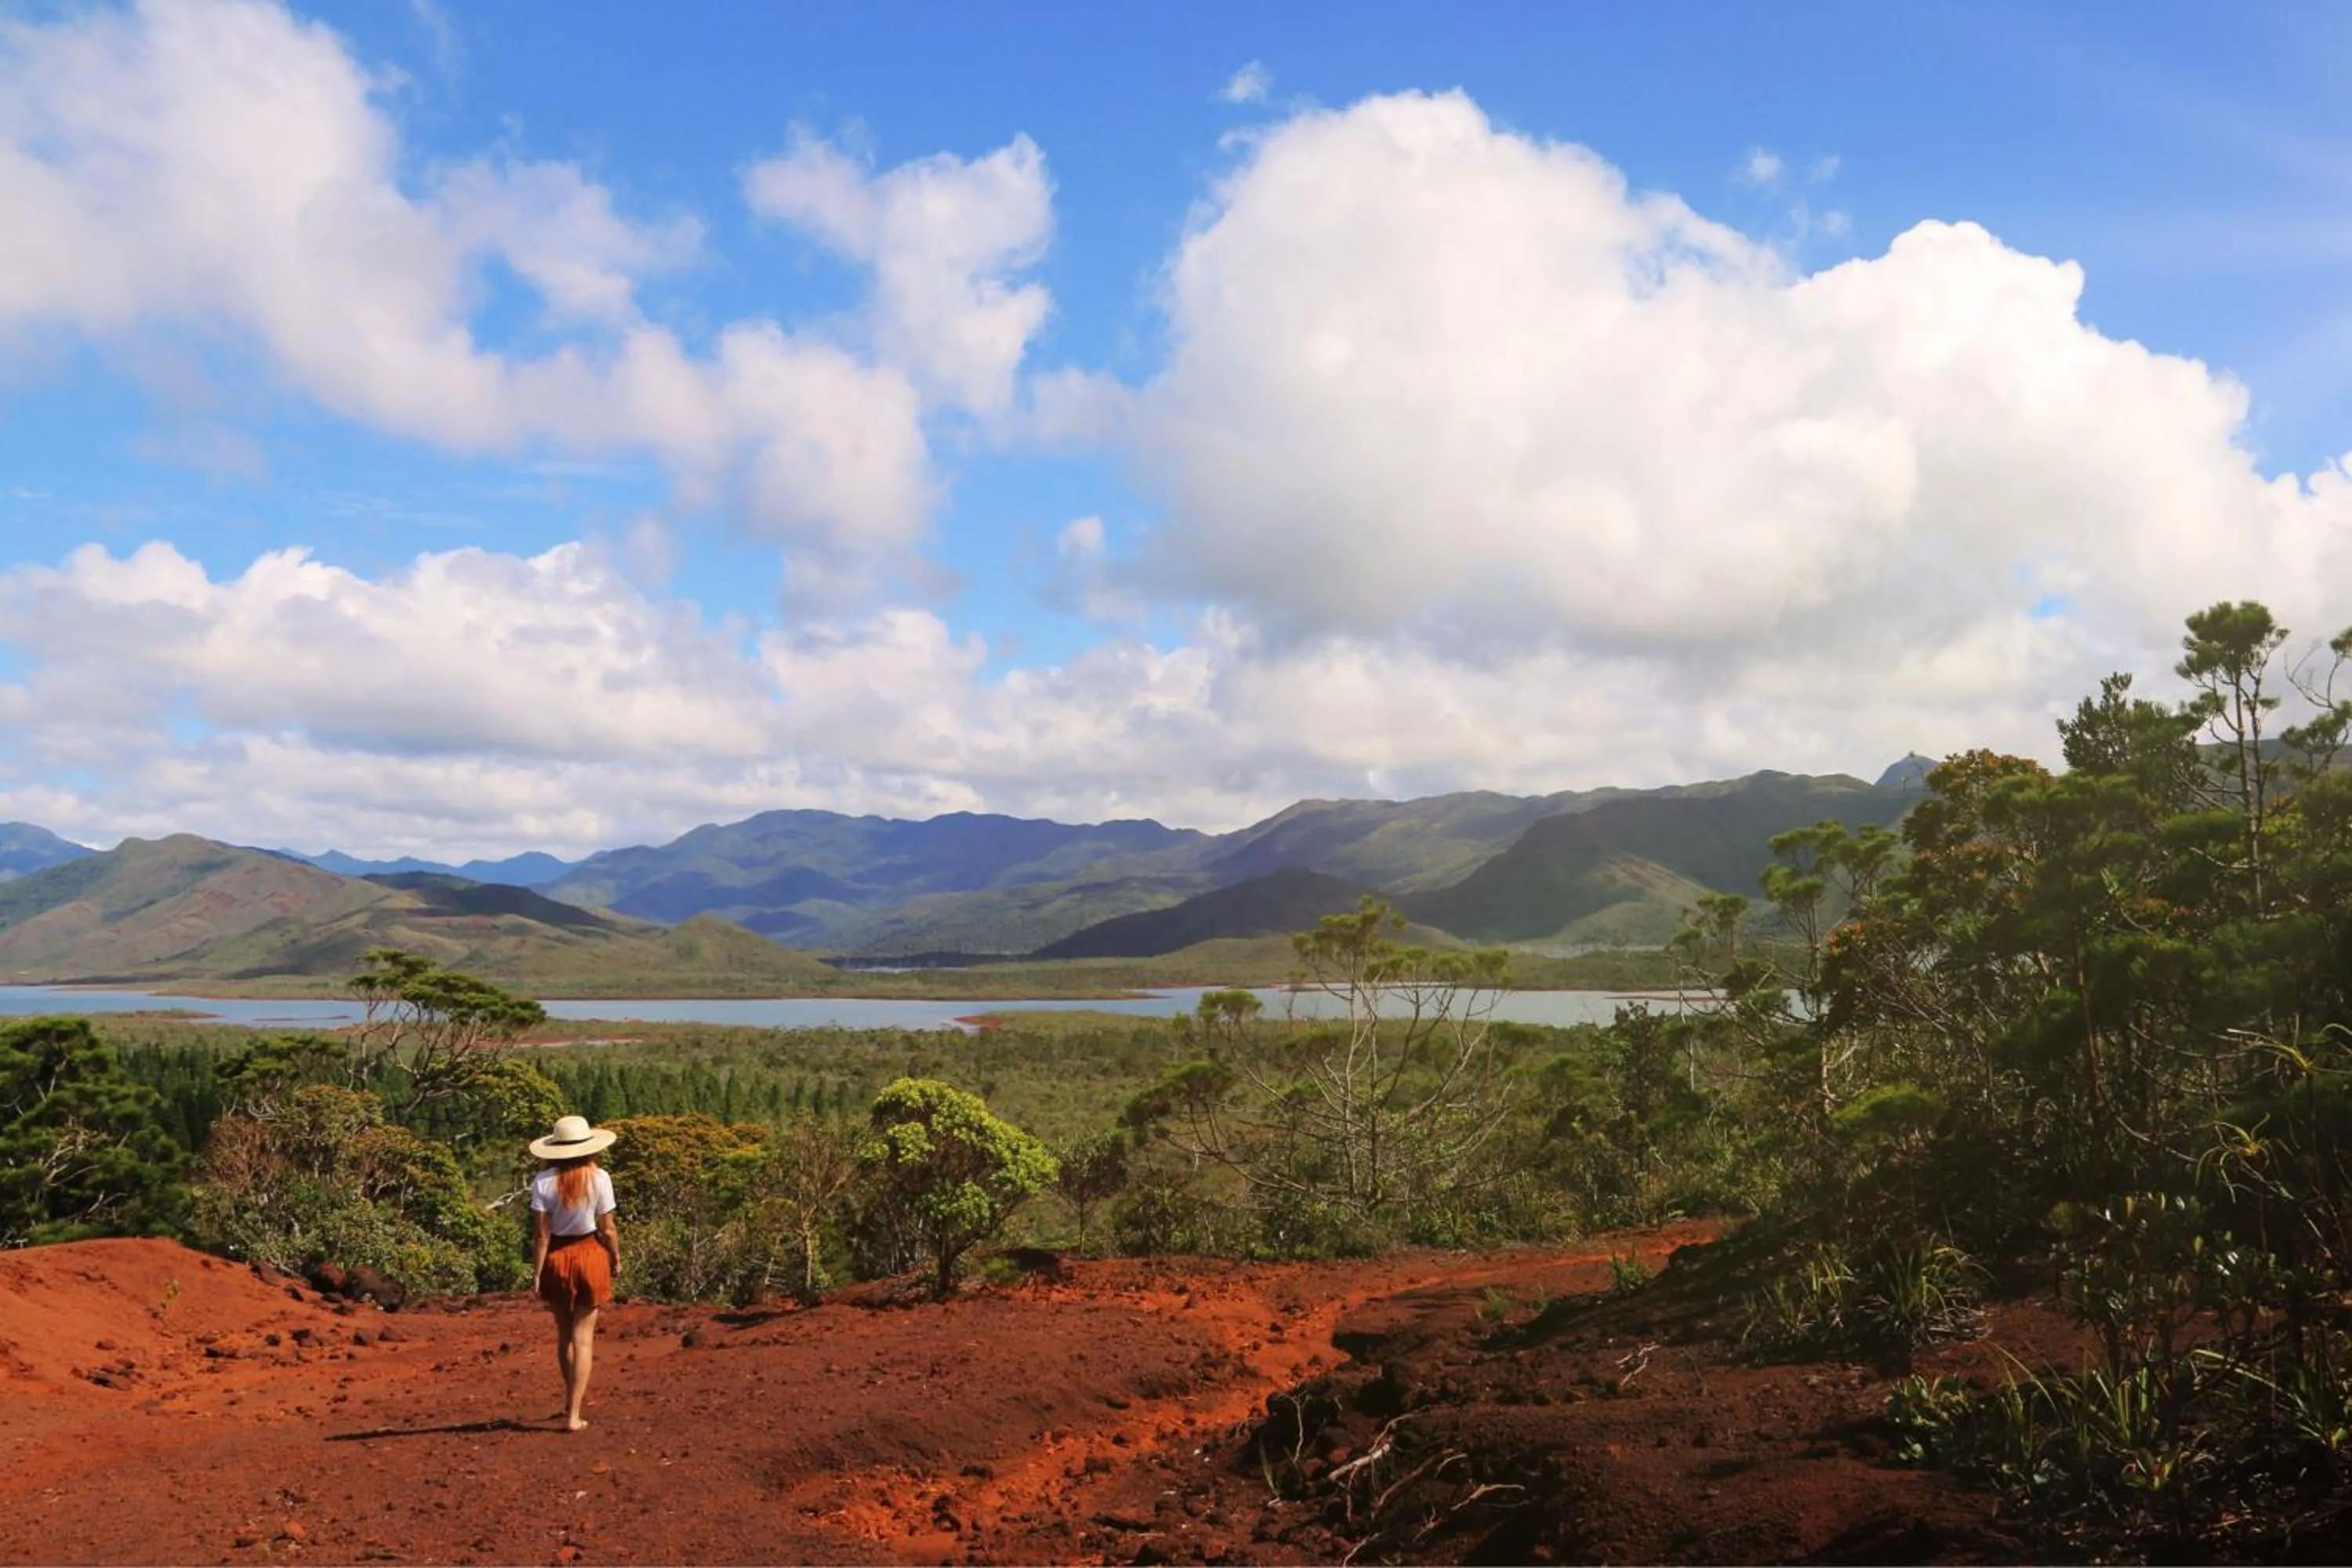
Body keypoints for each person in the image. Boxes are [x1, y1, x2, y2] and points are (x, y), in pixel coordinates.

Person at [528, 1114, 619, 1432]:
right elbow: (608, 1229)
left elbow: (541, 1235)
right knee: (584, 1340)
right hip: (591, 1256)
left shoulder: (542, 1182)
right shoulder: (601, 1178)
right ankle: (574, 1414)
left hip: (557, 1258)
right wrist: (616, 1259)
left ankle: (570, 1403)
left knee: (564, 1335)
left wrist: (537, 1273)